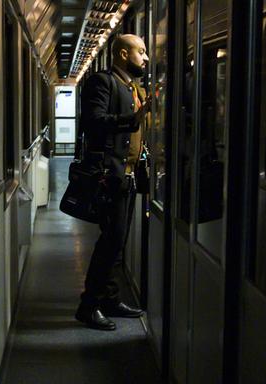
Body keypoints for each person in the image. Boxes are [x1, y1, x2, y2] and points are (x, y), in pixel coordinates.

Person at [74, 34, 152, 330]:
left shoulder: (132, 87)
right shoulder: (102, 82)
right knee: (111, 241)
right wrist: (132, 119)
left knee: (117, 243)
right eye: (140, 52)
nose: (145, 58)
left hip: (129, 175)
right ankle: (88, 305)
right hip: (111, 176)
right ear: (122, 54)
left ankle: (108, 298)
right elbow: (93, 121)